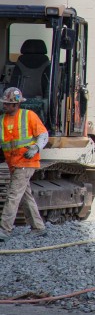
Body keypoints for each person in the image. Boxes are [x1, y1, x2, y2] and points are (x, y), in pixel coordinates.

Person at [0, 87, 48, 239]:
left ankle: (4, 230)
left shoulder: (29, 116)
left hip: (26, 162)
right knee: (25, 196)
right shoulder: (2, 120)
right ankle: (38, 227)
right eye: (4, 103)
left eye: (8, 104)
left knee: (13, 195)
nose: (5, 105)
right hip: (13, 164)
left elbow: (43, 134)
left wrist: (36, 147)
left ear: (16, 104)